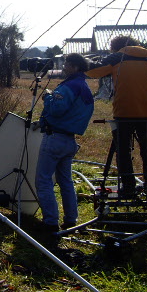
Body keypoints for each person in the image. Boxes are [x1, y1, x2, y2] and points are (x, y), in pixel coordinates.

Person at [85, 35, 147, 196]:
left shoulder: (117, 57)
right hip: (145, 113)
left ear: (115, 47)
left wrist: (87, 59)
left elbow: (92, 71)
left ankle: (128, 187)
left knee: (123, 152)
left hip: (123, 113)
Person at [35, 53, 94, 232]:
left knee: (43, 180)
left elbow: (57, 109)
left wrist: (48, 98)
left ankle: (51, 222)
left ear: (75, 67)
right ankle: (71, 219)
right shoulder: (84, 87)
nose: (65, 67)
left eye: (67, 64)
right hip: (69, 140)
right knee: (65, 181)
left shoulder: (69, 86)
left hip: (55, 138)